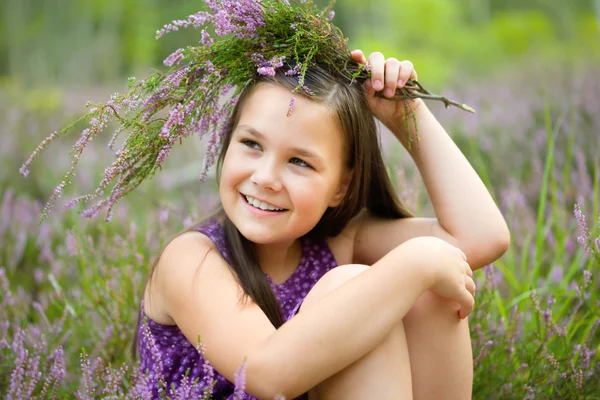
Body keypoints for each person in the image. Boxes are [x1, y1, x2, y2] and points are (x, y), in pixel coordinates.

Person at [134, 48, 511, 399]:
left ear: (340, 187)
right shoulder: (191, 259)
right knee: (372, 284)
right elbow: (262, 374)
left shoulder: (336, 242)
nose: (265, 177)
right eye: (252, 144)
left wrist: (407, 115)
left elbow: (480, 237)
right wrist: (413, 266)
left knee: (429, 292)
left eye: (299, 162)